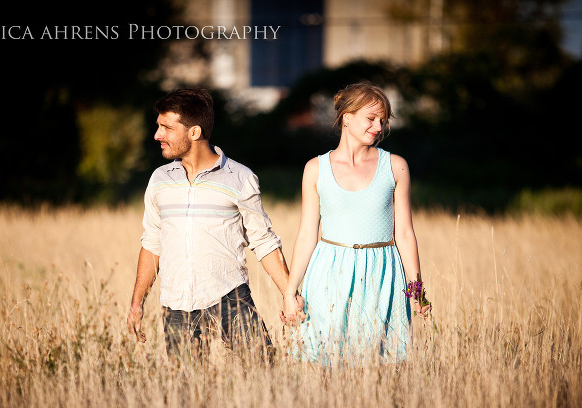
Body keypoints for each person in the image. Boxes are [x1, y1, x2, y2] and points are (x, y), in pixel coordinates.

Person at [127, 88, 303, 360]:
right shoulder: (159, 180)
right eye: (158, 126)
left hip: (230, 296)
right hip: (176, 305)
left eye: (166, 127)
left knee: (260, 373)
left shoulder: (239, 178)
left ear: (194, 132)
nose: (157, 135)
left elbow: (264, 241)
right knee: (188, 391)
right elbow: (152, 243)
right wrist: (137, 302)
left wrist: (289, 294)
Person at [282, 82, 431, 365]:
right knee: (325, 363)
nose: (378, 126)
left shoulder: (396, 166)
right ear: (346, 117)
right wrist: (290, 293)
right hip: (328, 273)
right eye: (371, 118)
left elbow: (405, 233)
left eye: (382, 120)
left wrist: (417, 291)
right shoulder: (315, 169)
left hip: (382, 272)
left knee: (380, 367)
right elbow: (306, 235)